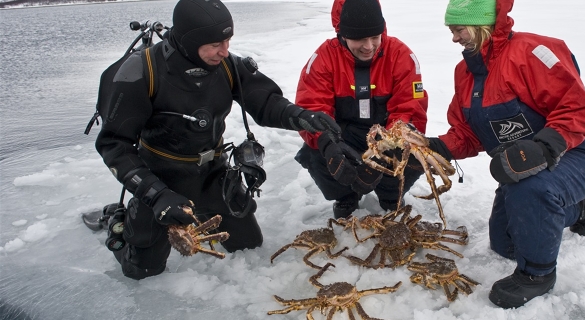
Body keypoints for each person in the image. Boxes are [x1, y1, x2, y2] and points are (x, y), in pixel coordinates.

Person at [86, 0, 343, 280]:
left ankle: (200, 215)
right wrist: (155, 195)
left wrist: (301, 117)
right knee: (142, 271)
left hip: (212, 174)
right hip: (160, 178)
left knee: (249, 246)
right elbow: (114, 145)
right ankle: (118, 219)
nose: (224, 51)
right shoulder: (141, 73)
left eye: (228, 41)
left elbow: (265, 102)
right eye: (214, 44)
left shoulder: (228, 65)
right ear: (188, 41)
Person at [423, 0, 585, 308]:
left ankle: (538, 275)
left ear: (480, 25)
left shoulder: (531, 52)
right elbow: (470, 133)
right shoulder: (466, 73)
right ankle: (582, 207)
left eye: (458, 30)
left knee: (533, 191)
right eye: (451, 31)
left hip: (576, 153)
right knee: (506, 243)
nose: (454, 39)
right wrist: (435, 147)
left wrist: (544, 147)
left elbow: (580, 107)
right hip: (520, 167)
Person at [294, 0, 429, 218]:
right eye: (359, 39)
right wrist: (328, 142)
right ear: (343, 34)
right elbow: (311, 107)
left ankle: (390, 194)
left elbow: (410, 106)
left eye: (375, 37)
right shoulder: (324, 58)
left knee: (415, 151)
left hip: (385, 135)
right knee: (314, 151)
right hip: (345, 136)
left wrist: (394, 139)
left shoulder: (400, 55)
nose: (368, 46)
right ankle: (345, 197)